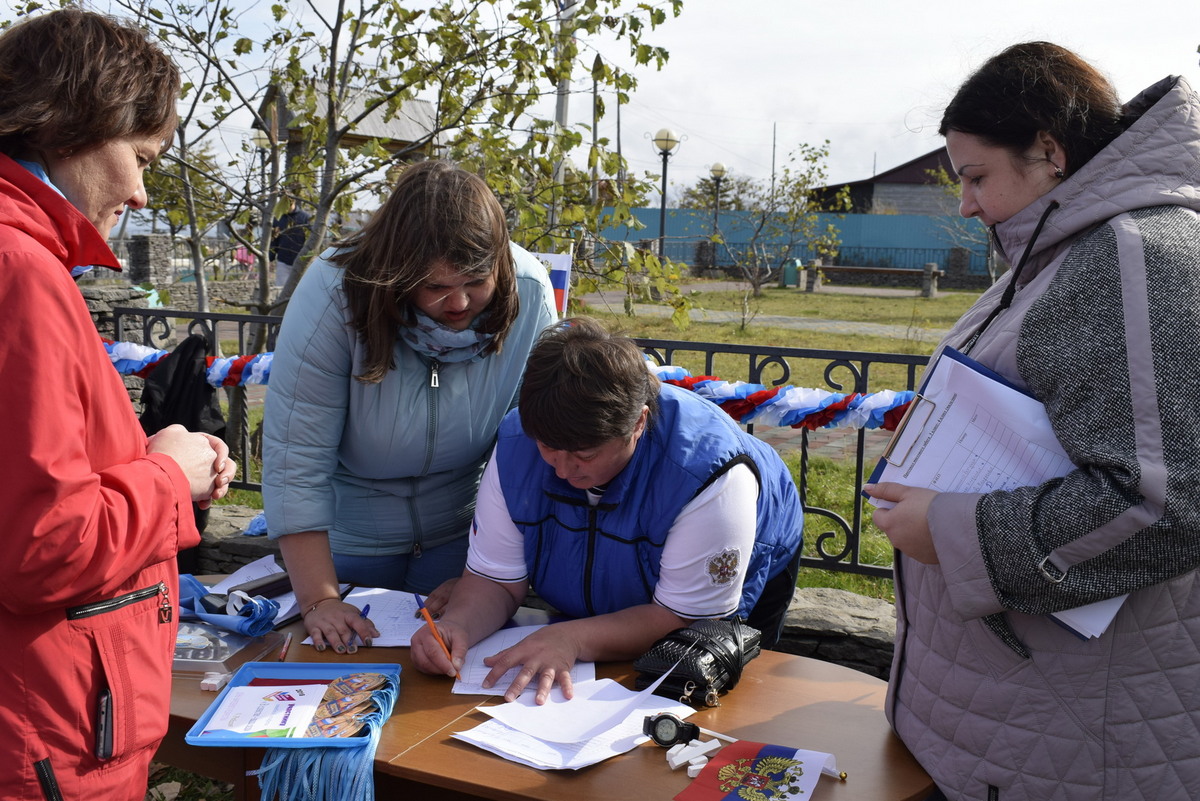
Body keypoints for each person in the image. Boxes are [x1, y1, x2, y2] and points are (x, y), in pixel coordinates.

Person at [866, 42, 1200, 801]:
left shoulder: (1135, 254)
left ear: (1049, 151)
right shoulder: (1066, 248)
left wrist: (951, 528)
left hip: (1072, 740)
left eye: (976, 176)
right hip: (1018, 720)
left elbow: (1164, 504)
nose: (966, 204)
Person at [0, 10, 237, 800]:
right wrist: (169, 477)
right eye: (139, 157)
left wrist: (144, 456)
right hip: (44, 737)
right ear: (70, 126)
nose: (139, 192)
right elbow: (42, 545)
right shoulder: (22, 275)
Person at [410, 317, 803, 703]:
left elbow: (685, 619)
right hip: (636, 592)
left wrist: (573, 637)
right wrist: (457, 627)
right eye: (548, 449)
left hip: (719, 590)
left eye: (585, 454)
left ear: (637, 424)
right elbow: (495, 580)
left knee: (698, 696)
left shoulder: (709, 475)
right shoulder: (518, 442)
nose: (561, 471)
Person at [263, 159, 556, 654]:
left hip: (464, 541)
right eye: (435, 287)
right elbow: (297, 457)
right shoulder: (334, 291)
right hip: (343, 544)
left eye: (476, 282)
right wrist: (318, 600)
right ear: (395, 273)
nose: (460, 303)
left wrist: (485, 581)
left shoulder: (530, 291)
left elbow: (533, 444)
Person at [270, 194, 311, 287]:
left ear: (293, 201)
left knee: (301, 290)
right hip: (283, 261)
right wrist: (270, 259)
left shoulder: (305, 217)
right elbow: (274, 240)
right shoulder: (278, 218)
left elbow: (311, 239)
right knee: (281, 291)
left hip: (301, 262)